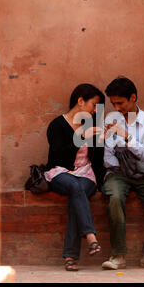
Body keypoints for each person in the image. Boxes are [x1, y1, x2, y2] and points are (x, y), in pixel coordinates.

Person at [101, 77, 144, 270]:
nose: (116, 107)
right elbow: (108, 157)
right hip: (117, 173)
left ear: (133, 98)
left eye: (120, 102)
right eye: (113, 103)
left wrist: (126, 137)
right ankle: (118, 256)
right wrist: (124, 165)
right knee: (114, 198)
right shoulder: (110, 120)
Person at [45, 83, 106, 271]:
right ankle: (90, 236)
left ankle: (72, 256)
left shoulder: (93, 126)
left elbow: (99, 159)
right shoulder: (57, 125)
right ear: (80, 101)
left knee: (77, 191)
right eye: (94, 105)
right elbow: (58, 157)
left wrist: (102, 186)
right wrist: (80, 137)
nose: (96, 111)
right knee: (74, 187)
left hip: (86, 175)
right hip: (60, 173)